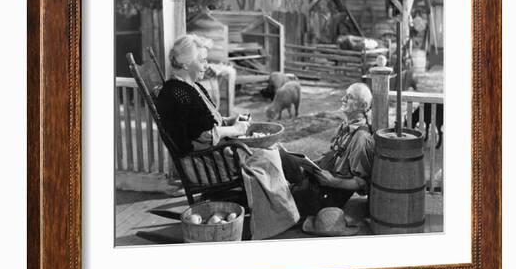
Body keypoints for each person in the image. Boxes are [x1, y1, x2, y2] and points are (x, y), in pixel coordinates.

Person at [156, 34, 308, 239]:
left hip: (217, 152)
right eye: (202, 60)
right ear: (185, 63)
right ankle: (294, 203)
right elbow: (202, 135)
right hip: (208, 163)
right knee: (269, 155)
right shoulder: (177, 93)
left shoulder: (192, 87)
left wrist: (231, 120)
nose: (206, 65)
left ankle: (299, 191)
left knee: (276, 149)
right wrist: (235, 130)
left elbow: (209, 121)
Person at [310, 82, 375, 211]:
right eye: (345, 95)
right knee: (287, 162)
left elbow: (362, 183)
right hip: (324, 181)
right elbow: (333, 154)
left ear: (364, 106)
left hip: (332, 194)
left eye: (349, 97)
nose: (343, 99)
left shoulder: (361, 138)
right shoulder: (346, 125)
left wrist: (332, 182)